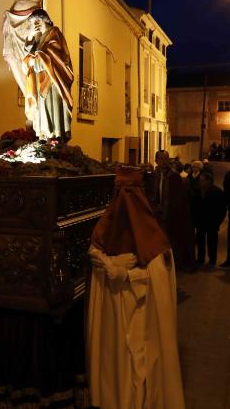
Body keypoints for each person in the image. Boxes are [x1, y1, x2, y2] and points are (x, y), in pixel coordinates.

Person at [87, 167, 186, 409]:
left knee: (141, 363)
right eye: (121, 192)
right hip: (114, 309)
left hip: (142, 312)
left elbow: (159, 274)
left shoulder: (154, 235)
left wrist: (127, 275)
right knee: (117, 359)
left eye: (130, 192)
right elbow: (95, 250)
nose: (125, 200)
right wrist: (108, 263)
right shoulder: (107, 225)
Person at [20, 9, 74, 139]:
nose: (35, 25)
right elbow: (29, 52)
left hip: (53, 80)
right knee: (42, 109)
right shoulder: (40, 38)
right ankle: (44, 136)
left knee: (51, 108)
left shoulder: (54, 34)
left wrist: (36, 61)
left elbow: (55, 56)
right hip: (41, 80)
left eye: (37, 21)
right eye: (33, 23)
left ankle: (55, 137)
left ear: (44, 20)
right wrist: (30, 38)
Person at [193, 170, 226, 266]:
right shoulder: (197, 191)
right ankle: (200, 258)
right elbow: (194, 206)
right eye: (200, 180)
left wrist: (218, 221)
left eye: (203, 180)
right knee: (200, 241)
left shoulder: (217, 192)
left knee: (212, 241)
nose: (200, 182)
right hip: (200, 221)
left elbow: (222, 209)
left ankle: (212, 259)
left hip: (212, 221)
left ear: (209, 181)